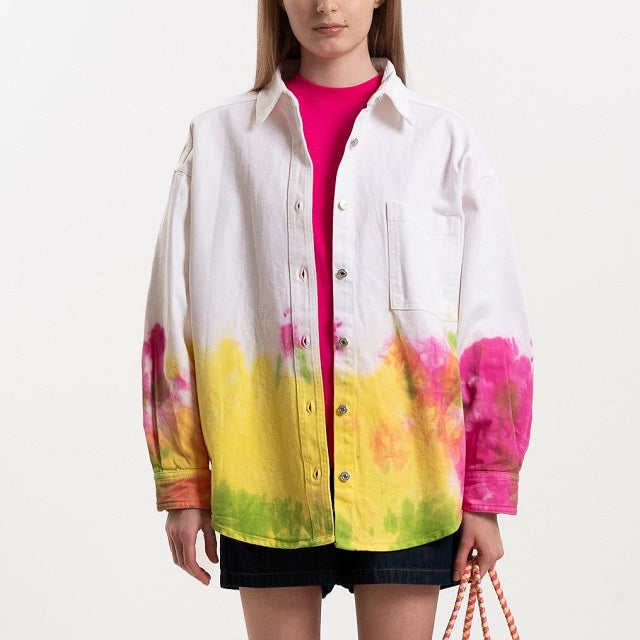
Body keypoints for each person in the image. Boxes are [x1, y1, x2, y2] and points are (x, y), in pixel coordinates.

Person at [140, 1, 534, 638]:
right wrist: (182, 482)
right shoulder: (217, 143)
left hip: (407, 484)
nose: (326, 5)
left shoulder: (442, 143)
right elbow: (173, 318)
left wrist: (486, 493)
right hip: (266, 476)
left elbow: (493, 328)